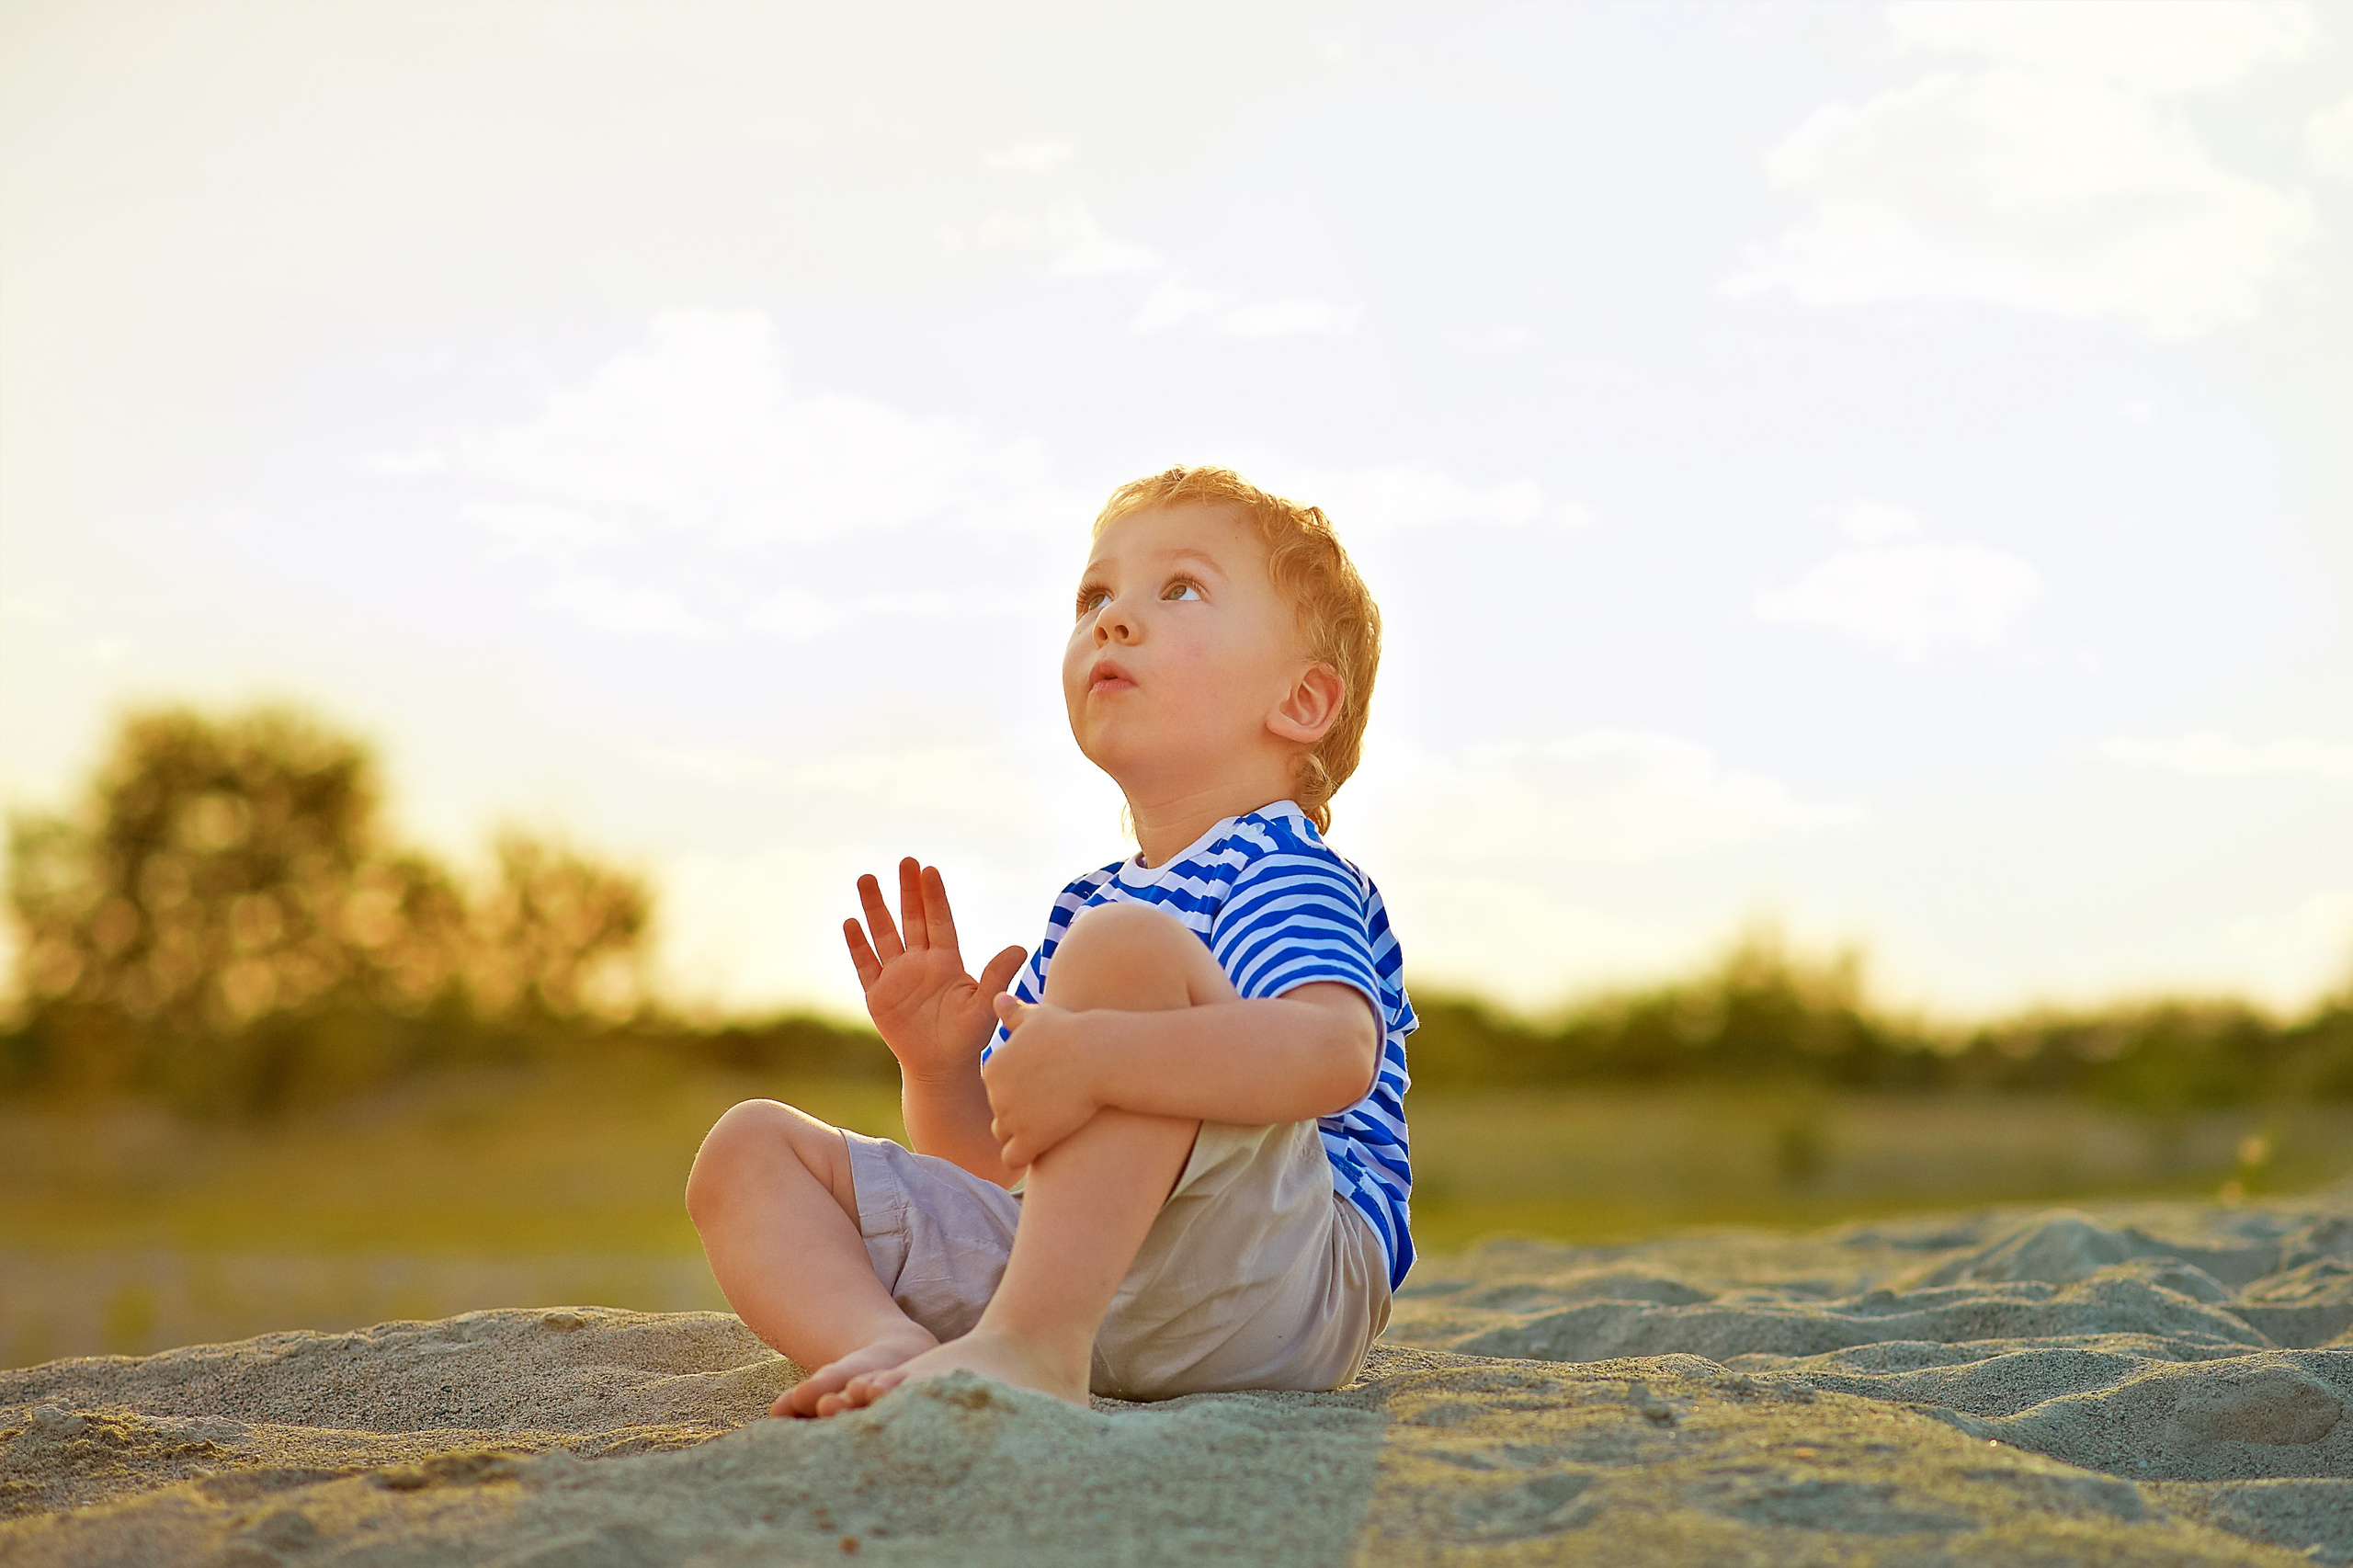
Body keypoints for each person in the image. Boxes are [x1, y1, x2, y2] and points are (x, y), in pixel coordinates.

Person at [685, 465, 1415, 1416]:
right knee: (748, 1148)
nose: (1112, 618)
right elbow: (1018, 1178)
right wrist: (941, 1071)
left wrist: (1106, 1052)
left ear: (1302, 702)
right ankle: (890, 1346)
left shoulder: (1280, 862)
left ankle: (1029, 1342)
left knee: (1127, 950)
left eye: (1180, 588)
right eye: (1095, 596)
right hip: (1096, 1290)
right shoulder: (1090, 903)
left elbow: (1332, 1055)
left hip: (1278, 1273)